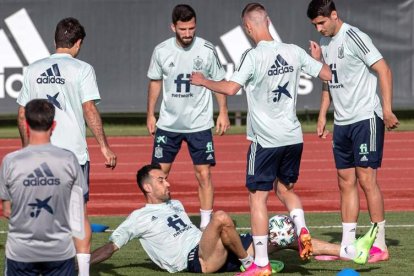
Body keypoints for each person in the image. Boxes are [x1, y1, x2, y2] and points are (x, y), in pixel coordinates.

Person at [190, 3, 332, 274]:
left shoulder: (252, 56)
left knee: (258, 199)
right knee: (285, 190)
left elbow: (231, 88)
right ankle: (301, 228)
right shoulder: (293, 50)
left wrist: (203, 81)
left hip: (266, 141)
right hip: (293, 137)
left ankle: (262, 263)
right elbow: (326, 74)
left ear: (248, 27)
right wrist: (319, 56)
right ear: (267, 22)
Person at [90, 164, 378, 274]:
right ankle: (250, 264)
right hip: (198, 259)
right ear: (147, 188)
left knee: (284, 233)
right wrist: (80, 263)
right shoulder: (136, 218)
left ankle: (350, 251)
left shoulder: (175, 203)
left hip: (220, 247)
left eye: (166, 179)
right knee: (220, 217)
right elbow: (111, 247)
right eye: (161, 180)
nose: (167, 183)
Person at [16, 17, 117, 275]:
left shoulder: (32, 69)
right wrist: (104, 147)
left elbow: (21, 114)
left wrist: (28, 149)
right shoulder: (83, 69)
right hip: (73, 156)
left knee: (40, 215)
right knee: (78, 216)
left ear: (55, 41)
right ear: (78, 43)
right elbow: (89, 109)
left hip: (40, 155)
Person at [306, 0, 399, 263]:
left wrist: (388, 109)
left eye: (322, 22)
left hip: (365, 118)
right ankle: (347, 246)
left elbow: (384, 69)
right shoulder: (324, 44)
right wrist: (324, 114)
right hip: (342, 123)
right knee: (344, 181)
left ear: (334, 15)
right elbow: (328, 81)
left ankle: (380, 245)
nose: (319, 29)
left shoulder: (355, 36)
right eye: (315, 25)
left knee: (367, 180)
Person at [146, 4, 230, 230]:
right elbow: (155, 81)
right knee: (158, 175)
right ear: (173, 26)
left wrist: (223, 112)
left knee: (203, 174)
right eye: (182, 29)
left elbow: (218, 80)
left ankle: (205, 224)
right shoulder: (161, 50)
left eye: (191, 28)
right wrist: (150, 113)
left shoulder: (206, 49)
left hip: (199, 123)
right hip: (168, 123)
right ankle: (159, 219)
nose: (187, 34)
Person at [0, 99, 87, 276]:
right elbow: (78, 212)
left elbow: (7, 210)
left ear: (25, 123)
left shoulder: (11, 161)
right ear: (53, 125)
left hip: (21, 251)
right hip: (59, 250)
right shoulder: (69, 159)